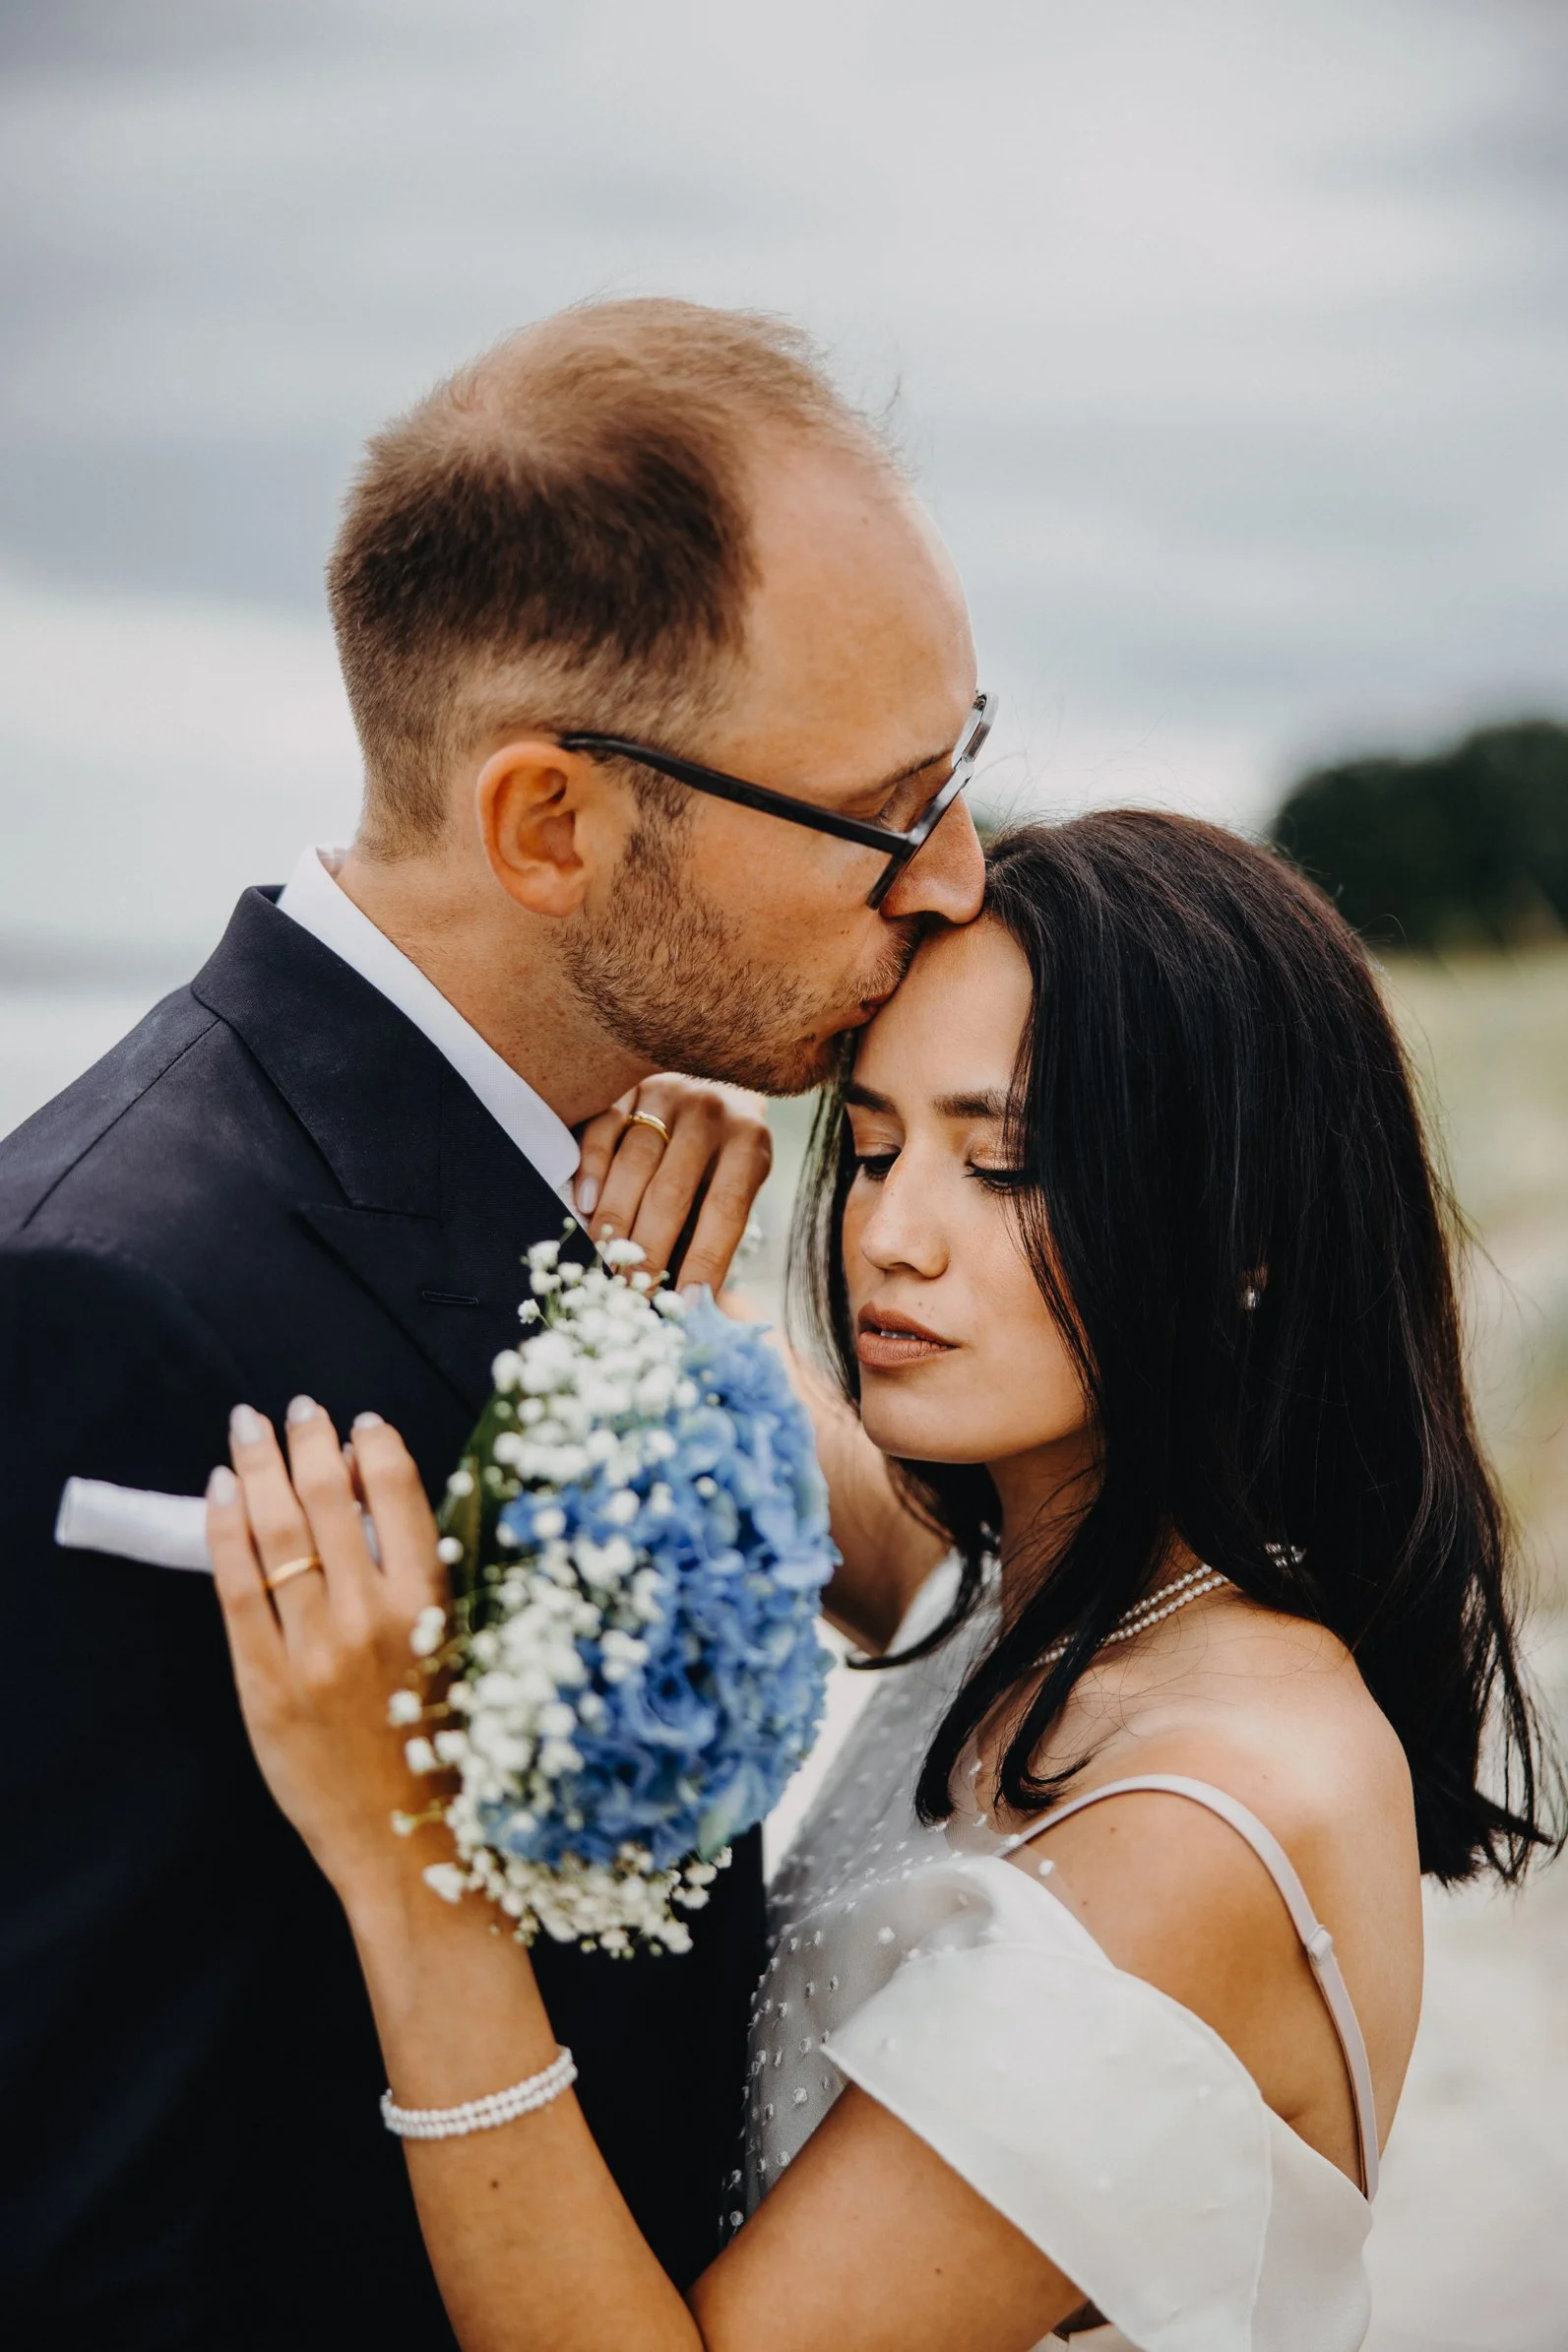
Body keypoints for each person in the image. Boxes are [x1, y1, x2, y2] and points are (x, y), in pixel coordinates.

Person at [204, 812, 1555, 2352]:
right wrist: (634, 1175)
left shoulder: (1199, 1829)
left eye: (1006, 1164)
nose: (889, 1238)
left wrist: (408, 1864)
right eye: (873, 1147)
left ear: (1249, 1234)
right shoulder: (1062, 1592)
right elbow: (780, 1433)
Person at [0, 297, 985, 2347]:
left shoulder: (610, 1201)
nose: (956, 881)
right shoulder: (108, 1304)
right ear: (552, 825)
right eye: (888, 814)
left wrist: (706, 1357)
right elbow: (69, 2212)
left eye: (962, 769)